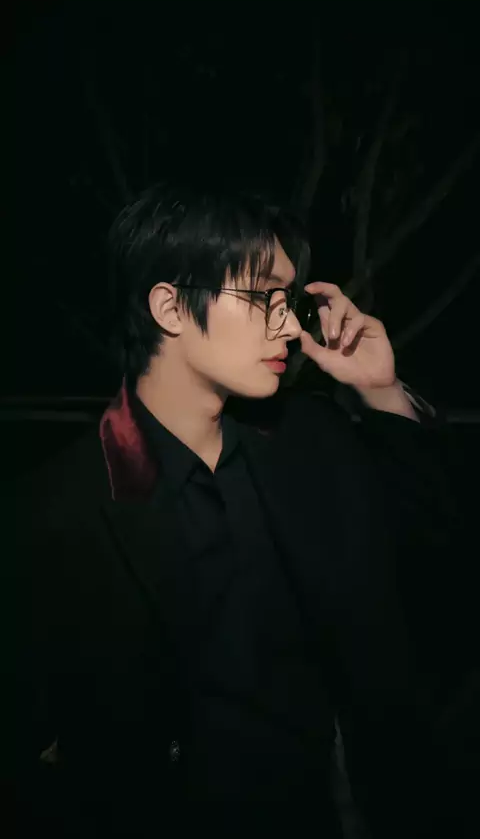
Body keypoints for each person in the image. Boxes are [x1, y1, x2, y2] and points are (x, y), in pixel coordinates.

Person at [14, 183, 455, 837]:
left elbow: (437, 562)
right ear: (169, 307)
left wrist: (382, 390)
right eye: (261, 298)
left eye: (288, 301)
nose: (289, 326)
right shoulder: (56, 513)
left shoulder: (311, 439)